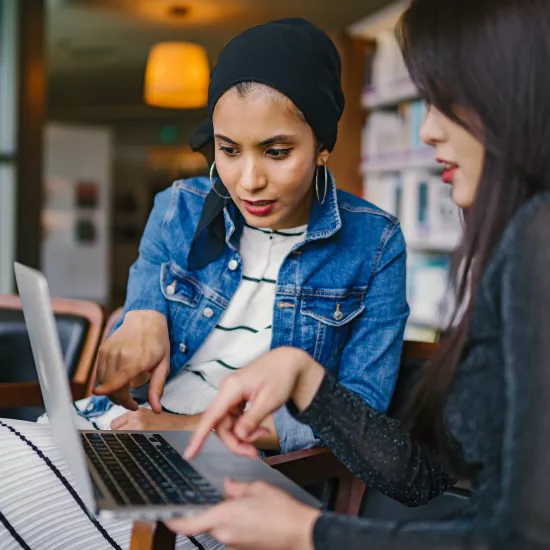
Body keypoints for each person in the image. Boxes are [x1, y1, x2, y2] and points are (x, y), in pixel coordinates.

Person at [0, 18, 409, 550]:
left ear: (323, 146)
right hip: (123, 430)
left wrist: (195, 427)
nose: (248, 180)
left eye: (277, 151)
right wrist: (140, 314)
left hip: (241, 471)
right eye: (229, 149)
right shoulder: (180, 206)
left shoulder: (375, 243)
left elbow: (358, 413)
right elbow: (141, 303)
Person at [167, 0, 550, 548]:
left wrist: (308, 532)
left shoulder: (537, 239)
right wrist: (306, 378)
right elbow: (419, 480)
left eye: (445, 102)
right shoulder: (522, 240)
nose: (429, 132)